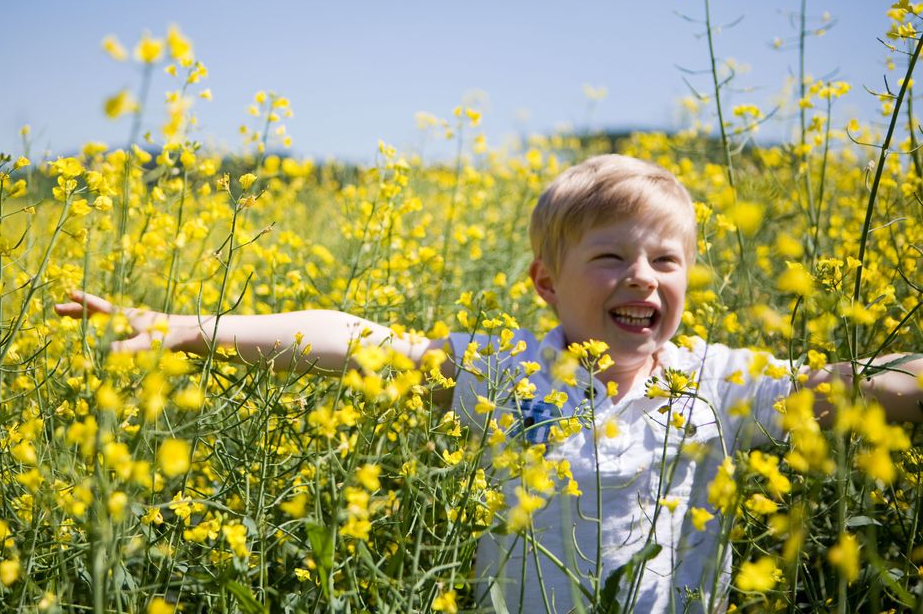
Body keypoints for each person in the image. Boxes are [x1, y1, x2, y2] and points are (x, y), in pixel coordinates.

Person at [55, 154, 923, 613]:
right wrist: (194, 331)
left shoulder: (718, 382)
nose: (642, 279)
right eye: (611, 258)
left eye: (666, 260)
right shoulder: (511, 372)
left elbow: (854, 387)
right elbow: (360, 342)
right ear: (547, 285)